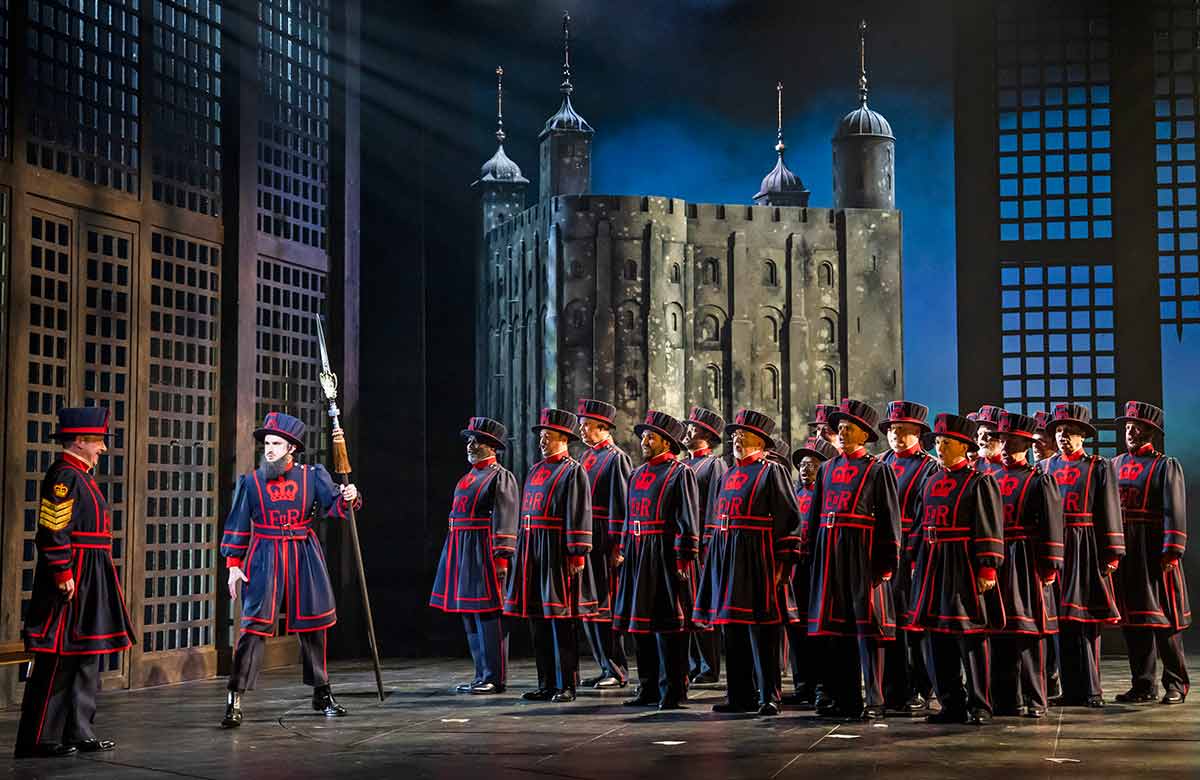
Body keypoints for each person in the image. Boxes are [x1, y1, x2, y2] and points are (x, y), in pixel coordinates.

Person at [220, 412, 361, 728]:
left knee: (314, 624)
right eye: (266, 443)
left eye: (275, 444)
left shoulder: (312, 476)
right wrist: (233, 566)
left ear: (291, 448)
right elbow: (238, 526)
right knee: (253, 627)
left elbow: (335, 506)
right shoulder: (252, 482)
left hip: (303, 551)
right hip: (265, 554)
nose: (268, 449)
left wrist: (349, 497)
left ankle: (322, 693)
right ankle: (235, 697)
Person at [15, 407, 136, 759]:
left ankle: (80, 731)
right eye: (98, 441)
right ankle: (40, 738)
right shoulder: (64, 476)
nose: (103, 449)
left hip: (91, 573)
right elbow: (53, 529)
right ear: (80, 441)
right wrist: (62, 571)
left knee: (86, 655)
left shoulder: (82, 474)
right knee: (58, 658)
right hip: (74, 575)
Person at [693, 409, 803, 716]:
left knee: (763, 630)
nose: (736, 440)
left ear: (760, 439)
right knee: (733, 629)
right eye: (734, 435)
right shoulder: (728, 473)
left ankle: (769, 695)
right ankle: (738, 694)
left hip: (758, 558)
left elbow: (790, 520)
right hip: (727, 556)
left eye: (742, 435)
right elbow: (715, 517)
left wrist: (783, 565)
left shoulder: (772, 471)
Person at [804, 398, 901, 721]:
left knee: (868, 630)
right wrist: (812, 553)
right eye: (839, 429)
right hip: (830, 554)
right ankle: (845, 697)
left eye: (848, 429)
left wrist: (886, 561)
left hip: (862, 553)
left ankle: (874, 697)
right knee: (837, 631)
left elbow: (889, 519)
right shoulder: (828, 469)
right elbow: (816, 517)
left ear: (863, 434)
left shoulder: (878, 470)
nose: (842, 434)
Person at [905, 413, 1005, 726]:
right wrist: (913, 559)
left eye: (946, 442)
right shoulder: (930, 480)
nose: (939, 447)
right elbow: (920, 524)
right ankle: (951, 703)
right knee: (936, 637)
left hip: (962, 562)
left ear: (963, 446)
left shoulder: (979, 481)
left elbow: (988, 526)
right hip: (932, 563)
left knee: (970, 636)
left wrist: (987, 569)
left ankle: (980, 704)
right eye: (937, 442)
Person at [503, 408, 595, 703]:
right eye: (541, 436)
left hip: (556, 550)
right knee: (538, 619)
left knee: (561, 619)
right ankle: (545, 682)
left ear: (563, 437)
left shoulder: (572, 470)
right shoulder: (536, 469)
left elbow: (578, 513)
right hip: (532, 549)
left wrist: (577, 553)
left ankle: (566, 683)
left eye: (548, 435)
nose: (542, 440)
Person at [613, 411, 700, 710]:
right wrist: (624, 548)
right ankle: (647, 686)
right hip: (638, 553)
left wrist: (683, 557)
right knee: (640, 625)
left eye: (651, 437)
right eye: (643, 437)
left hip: (663, 553)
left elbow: (687, 519)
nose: (644, 441)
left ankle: (673, 690)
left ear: (667, 441)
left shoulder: (679, 472)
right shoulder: (637, 474)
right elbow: (628, 516)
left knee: (669, 626)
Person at [1041, 403, 1124, 707]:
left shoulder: (1097, 466)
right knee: (1060, 620)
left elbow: (1109, 510)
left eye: (1071, 432)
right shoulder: (1046, 467)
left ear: (1083, 436)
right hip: (1055, 546)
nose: (1064, 437)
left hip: (1085, 546)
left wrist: (1112, 552)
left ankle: (1091, 690)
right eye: (1060, 431)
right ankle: (1070, 690)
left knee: (1084, 619)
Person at [430, 417, 519, 694]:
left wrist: (501, 557)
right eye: (470, 440)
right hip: (461, 549)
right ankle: (481, 674)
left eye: (476, 441)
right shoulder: (468, 477)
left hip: (483, 550)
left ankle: (494, 676)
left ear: (491, 446)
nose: (470, 445)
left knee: (488, 614)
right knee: (469, 613)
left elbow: (505, 517)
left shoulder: (499, 476)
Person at [1111, 401, 1190, 705]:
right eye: (1128, 427)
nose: (1130, 432)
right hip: (1127, 549)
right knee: (1134, 621)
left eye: (1137, 427)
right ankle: (1143, 684)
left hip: (1154, 550)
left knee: (1164, 619)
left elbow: (1174, 510)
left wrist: (1173, 549)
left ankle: (1175, 683)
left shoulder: (1164, 465)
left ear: (1151, 432)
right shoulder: (1114, 464)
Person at [990, 411, 1063, 718]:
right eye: (1003, 440)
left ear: (1026, 444)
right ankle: (1006, 699)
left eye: (1014, 442)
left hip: (1026, 559)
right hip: (999, 559)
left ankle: (1035, 698)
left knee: (1029, 632)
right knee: (1000, 631)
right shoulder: (990, 479)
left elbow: (1051, 525)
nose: (1007, 447)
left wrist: (1049, 566)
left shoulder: (1040, 479)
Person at [878, 401, 940, 714]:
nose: (896, 436)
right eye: (892, 430)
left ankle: (920, 687)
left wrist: (915, 557)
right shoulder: (879, 463)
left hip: (910, 552)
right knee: (886, 623)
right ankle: (892, 690)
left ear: (918, 433)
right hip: (882, 552)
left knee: (913, 626)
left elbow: (924, 515)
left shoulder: (929, 467)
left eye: (904, 431)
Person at [575, 399, 632, 689]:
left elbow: (622, 506)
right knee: (589, 607)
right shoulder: (587, 457)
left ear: (602, 427)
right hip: (586, 536)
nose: (581, 430)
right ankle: (603, 665)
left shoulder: (615, 457)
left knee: (606, 607)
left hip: (603, 538)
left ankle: (617, 669)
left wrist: (618, 546)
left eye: (586, 425)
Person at [784, 436, 839, 707]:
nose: (806, 469)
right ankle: (802, 685)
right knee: (797, 629)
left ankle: (823, 687)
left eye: (813, 464)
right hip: (797, 569)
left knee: (820, 630)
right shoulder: (795, 492)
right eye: (803, 464)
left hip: (820, 567)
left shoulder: (829, 494)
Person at [683, 407, 728, 686]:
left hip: (701, 545)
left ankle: (709, 665)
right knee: (685, 606)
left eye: (694, 429)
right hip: (683, 544)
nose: (687, 431)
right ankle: (689, 663)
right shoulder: (684, 465)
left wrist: (707, 545)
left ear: (708, 436)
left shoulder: (714, 465)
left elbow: (714, 505)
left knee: (703, 607)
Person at [972, 405, 1007, 477]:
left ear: (1001, 438)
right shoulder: (973, 467)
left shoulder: (1013, 468)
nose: (981, 440)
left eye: (987, 434)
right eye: (980, 434)